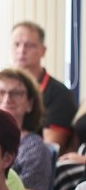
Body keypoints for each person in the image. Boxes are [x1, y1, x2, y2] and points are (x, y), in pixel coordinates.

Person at [0, 68, 53, 190]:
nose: (7, 99)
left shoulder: (34, 148)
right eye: (1, 92)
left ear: (30, 104)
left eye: (16, 93)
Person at [10, 21, 76, 151]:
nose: (21, 50)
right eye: (16, 44)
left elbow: (50, 150)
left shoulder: (59, 93)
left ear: (43, 51)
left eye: (29, 45)